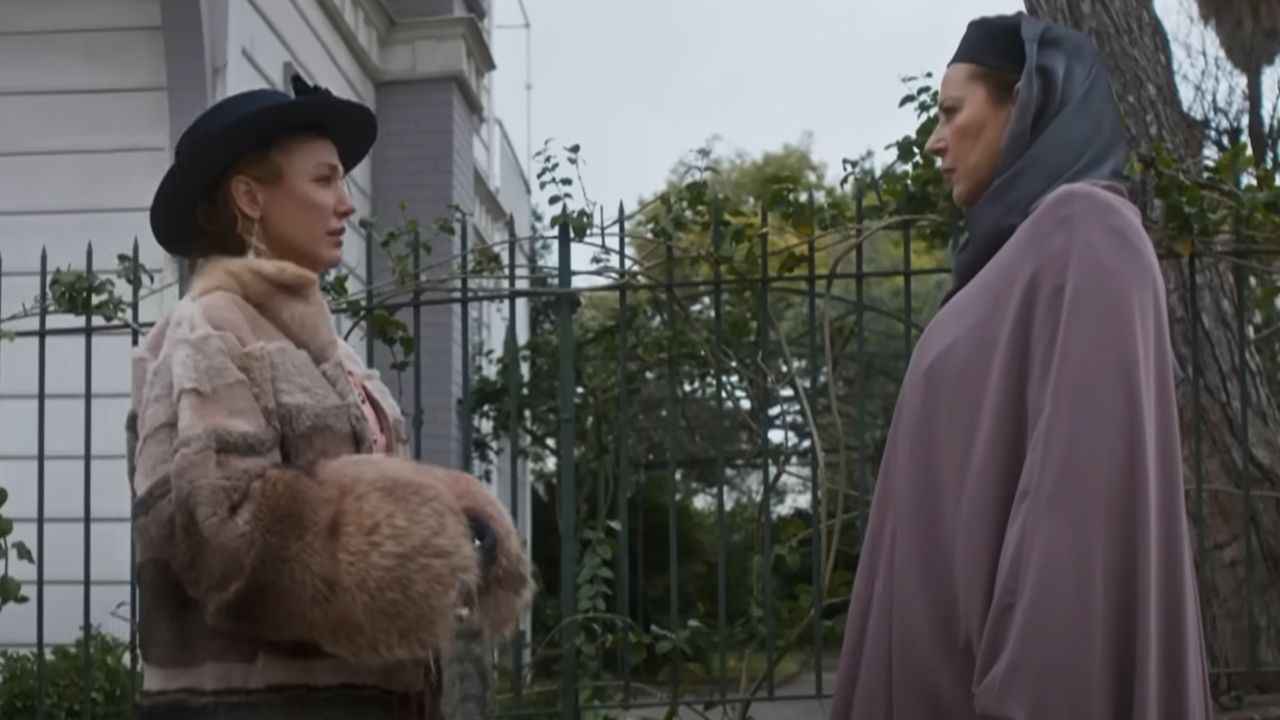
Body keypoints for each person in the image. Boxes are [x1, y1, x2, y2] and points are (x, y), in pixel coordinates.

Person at [828, 13, 1214, 720]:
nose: (934, 140)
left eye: (952, 111)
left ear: (1026, 99)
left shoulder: (1086, 234)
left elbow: (1074, 535)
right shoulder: (1015, 263)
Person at [126, 74, 530, 719]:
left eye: (343, 182)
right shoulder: (210, 329)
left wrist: (461, 520)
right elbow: (225, 541)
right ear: (249, 197)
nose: (345, 204)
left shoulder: (334, 356)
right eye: (324, 180)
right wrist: (426, 535)